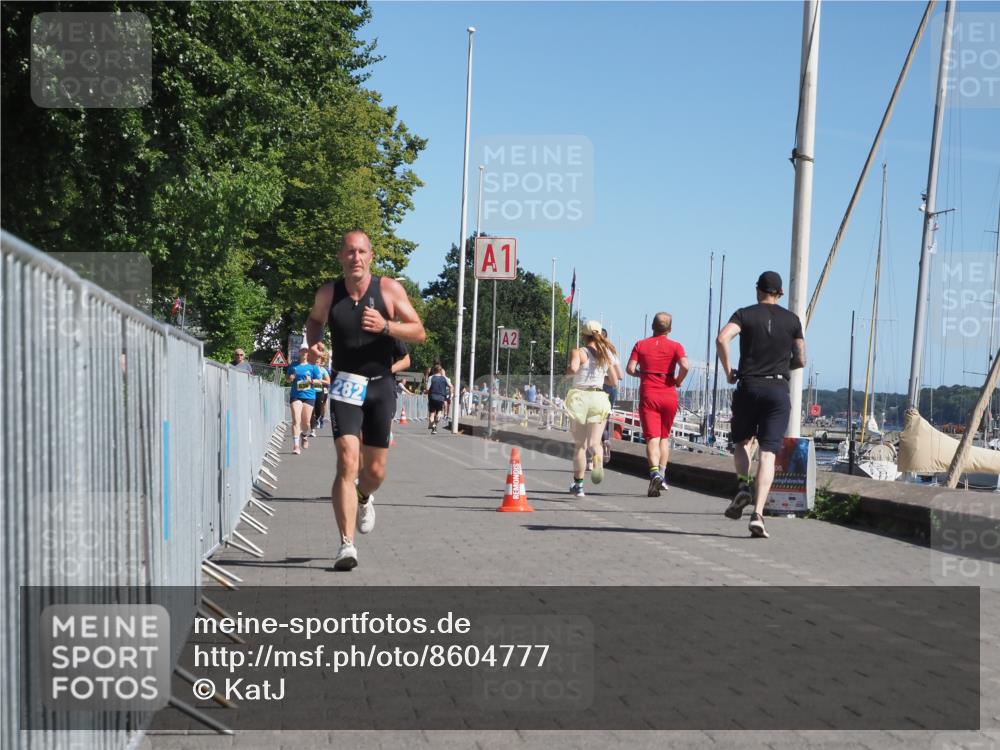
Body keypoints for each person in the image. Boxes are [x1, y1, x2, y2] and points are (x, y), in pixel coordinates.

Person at [305, 230, 426, 570]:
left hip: (379, 386)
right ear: (340, 256)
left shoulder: (388, 289)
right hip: (345, 384)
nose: (355, 257)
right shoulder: (329, 293)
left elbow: (418, 330)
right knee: (347, 461)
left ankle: (364, 496)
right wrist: (314, 342)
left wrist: (387, 326)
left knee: (374, 472)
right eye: (349, 252)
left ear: (371, 256)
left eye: (361, 252)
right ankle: (346, 545)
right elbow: (314, 321)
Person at [716, 271, 806, 539]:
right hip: (778, 390)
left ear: (758, 291)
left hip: (749, 385)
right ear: (779, 293)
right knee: (767, 453)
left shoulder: (744, 314)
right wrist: (781, 368)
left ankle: (743, 485)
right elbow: (801, 358)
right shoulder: (793, 321)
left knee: (742, 442)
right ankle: (758, 515)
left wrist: (729, 370)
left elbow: (722, 339)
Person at [627, 313, 689, 497]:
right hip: (669, 394)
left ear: (652, 326)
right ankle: (662, 475)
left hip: (649, 394)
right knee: (664, 437)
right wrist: (677, 380)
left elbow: (630, 369)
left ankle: (654, 472)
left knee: (652, 438)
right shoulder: (676, 346)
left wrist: (643, 374)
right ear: (670, 329)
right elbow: (685, 365)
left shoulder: (641, 344)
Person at [565, 320, 619, 497]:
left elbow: (573, 370)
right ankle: (598, 461)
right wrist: (599, 379)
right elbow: (614, 381)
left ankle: (578, 485)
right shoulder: (606, 355)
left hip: (580, 398)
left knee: (580, 445)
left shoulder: (578, 352)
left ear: (583, 335)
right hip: (598, 397)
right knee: (595, 442)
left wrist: (567, 373)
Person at [286, 346, 321, 455]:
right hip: (295, 395)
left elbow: (319, 383)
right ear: (299, 352)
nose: (304, 353)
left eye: (306, 351)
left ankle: (304, 435)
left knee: (306, 422)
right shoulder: (293, 365)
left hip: (309, 396)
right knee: (296, 420)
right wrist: (290, 378)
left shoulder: (313, 366)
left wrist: (311, 381)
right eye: (303, 351)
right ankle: (296, 446)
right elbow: (287, 380)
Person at [600, 328, 625, 465]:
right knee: (605, 419)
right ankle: (606, 441)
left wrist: (600, 378)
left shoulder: (590, 352)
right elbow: (620, 376)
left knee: (593, 423)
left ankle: (594, 456)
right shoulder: (611, 352)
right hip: (612, 389)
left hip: (598, 388)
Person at [309, 344, 331, 436]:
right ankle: (312, 427)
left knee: (321, 405)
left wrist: (319, 380)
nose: (316, 362)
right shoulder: (309, 368)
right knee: (311, 409)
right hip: (310, 390)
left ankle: (320, 417)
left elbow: (328, 382)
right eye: (315, 361)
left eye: (318, 361)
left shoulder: (323, 370)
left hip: (322, 389)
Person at [426, 364, 452, 434]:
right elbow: (451, 386)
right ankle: (437, 420)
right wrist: (450, 396)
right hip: (441, 398)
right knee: (439, 412)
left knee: (431, 415)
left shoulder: (431, 377)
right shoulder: (444, 378)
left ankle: (433, 426)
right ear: (440, 371)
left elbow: (427, 389)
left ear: (434, 370)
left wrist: (426, 392)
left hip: (432, 397)